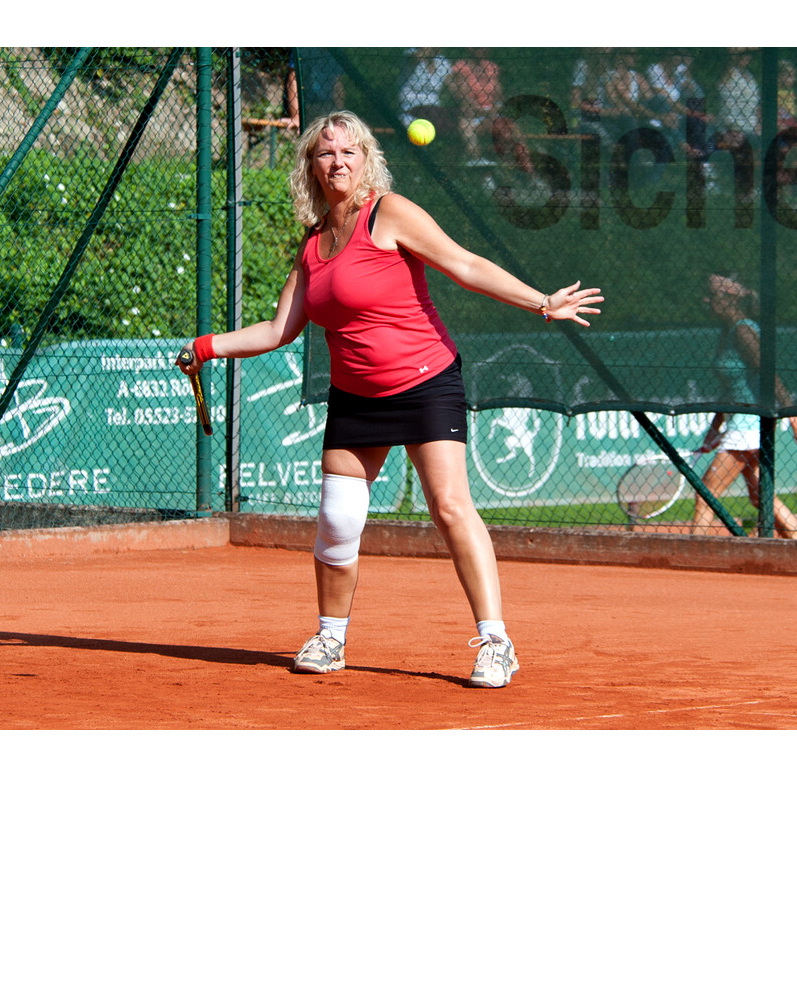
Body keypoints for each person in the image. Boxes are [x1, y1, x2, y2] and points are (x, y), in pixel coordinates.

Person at [178, 111, 603, 687]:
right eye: (326, 153)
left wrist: (543, 303)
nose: (338, 162)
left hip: (426, 380)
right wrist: (206, 347)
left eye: (348, 152)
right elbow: (280, 329)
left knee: (449, 507)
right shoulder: (313, 245)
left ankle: (496, 643)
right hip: (356, 396)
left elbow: (464, 264)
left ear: (365, 160)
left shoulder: (390, 213)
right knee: (337, 519)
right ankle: (331, 637)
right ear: (311, 167)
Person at [690, 274, 797, 541]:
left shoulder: (743, 332)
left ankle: (691, 555)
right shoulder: (727, 332)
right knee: (761, 497)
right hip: (743, 424)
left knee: (706, 494)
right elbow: (729, 389)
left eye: (711, 295)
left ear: (728, 300)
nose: (705, 300)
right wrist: (715, 428)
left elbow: (769, 375)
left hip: (748, 427)